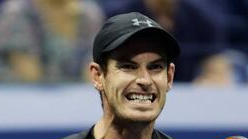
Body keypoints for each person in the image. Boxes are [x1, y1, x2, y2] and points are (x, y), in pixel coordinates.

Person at [9, 12, 207, 139]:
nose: (145, 80)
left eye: (155, 67)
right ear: (97, 76)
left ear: (169, 77)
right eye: (127, 66)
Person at [101, 0, 235, 86]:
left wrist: (207, 84)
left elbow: (218, 70)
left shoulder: (204, 18)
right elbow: (102, 68)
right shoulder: (118, 17)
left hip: (188, 98)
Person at [0, 0, 103, 82]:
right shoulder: (17, 12)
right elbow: (30, 77)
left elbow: (93, 76)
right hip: (21, 100)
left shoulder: (89, 14)